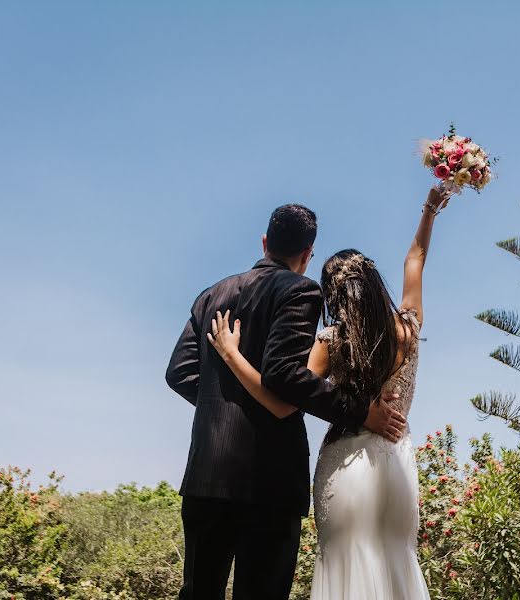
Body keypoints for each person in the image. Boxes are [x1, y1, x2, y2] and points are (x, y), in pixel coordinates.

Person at [207, 187, 447, 599]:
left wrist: (232, 356)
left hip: (347, 465)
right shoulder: (408, 328)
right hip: (398, 468)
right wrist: (429, 210)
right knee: (397, 566)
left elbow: (280, 400)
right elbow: (416, 259)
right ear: (374, 284)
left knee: (345, 569)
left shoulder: (331, 341)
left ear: (332, 295)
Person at [165, 203, 407, 600]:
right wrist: (362, 411)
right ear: (307, 253)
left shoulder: (211, 295)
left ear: (265, 242)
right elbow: (286, 375)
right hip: (268, 481)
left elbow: (179, 372)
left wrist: (223, 401)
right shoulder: (300, 289)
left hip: (205, 478)